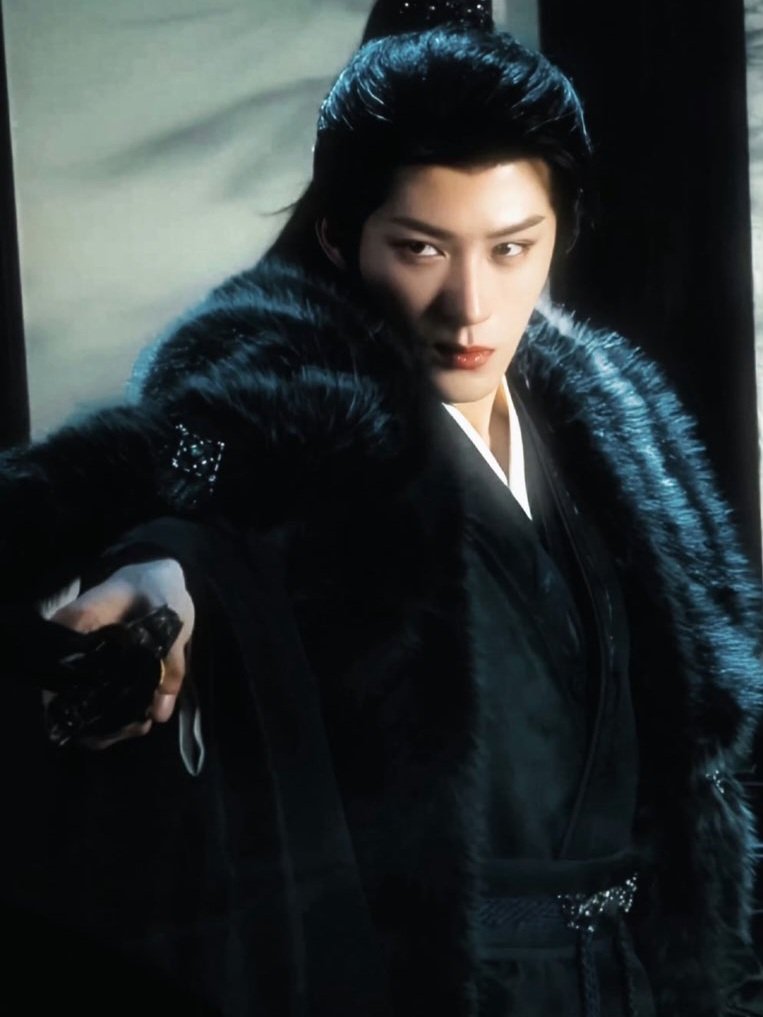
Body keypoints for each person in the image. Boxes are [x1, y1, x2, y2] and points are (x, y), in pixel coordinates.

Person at [1, 1, 762, 1015]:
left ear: (558, 236)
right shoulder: (307, 419)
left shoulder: (607, 432)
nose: (468, 307)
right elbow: (211, 485)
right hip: (447, 982)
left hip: (641, 978)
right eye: (419, 248)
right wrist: (167, 581)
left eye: (510, 248)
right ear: (340, 237)